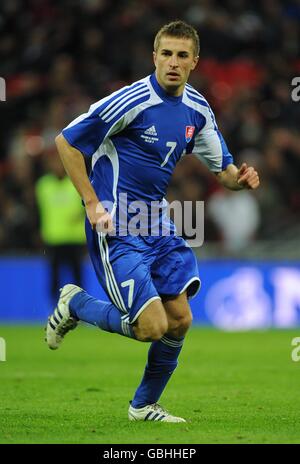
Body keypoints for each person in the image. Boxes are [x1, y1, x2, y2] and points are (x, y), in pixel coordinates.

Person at [46, 20, 259, 422]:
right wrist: (91, 203)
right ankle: (75, 302)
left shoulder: (197, 109)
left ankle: (143, 406)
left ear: (194, 61)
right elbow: (67, 142)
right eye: (166, 54)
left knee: (179, 321)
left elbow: (224, 170)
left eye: (182, 55)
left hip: (156, 223)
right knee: (150, 327)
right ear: (154, 57)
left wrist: (241, 181)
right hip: (117, 224)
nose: (173, 63)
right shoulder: (130, 101)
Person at [36, 152, 86, 303]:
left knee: (77, 278)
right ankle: (54, 310)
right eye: (53, 163)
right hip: (53, 238)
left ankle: (81, 310)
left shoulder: (75, 182)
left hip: (74, 238)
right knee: (54, 278)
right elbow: (38, 211)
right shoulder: (43, 185)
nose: (56, 166)